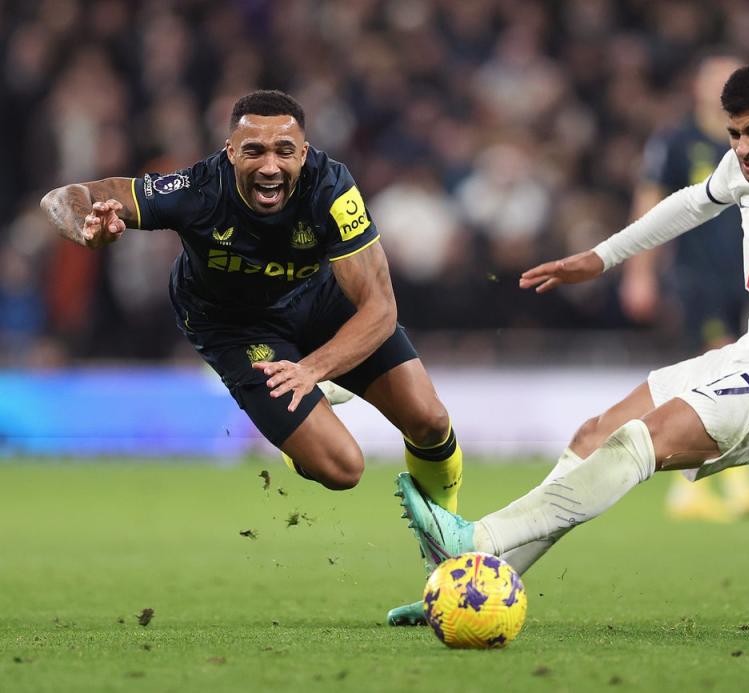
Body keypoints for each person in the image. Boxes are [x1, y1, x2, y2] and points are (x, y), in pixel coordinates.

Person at [396, 62, 749, 582]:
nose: (743, 148)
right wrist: (602, 257)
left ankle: (478, 540)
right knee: (595, 435)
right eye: (735, 134)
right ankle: (466, 582)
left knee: (641, 437)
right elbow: (692, 203)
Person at [40, 90, 463, 624]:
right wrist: (82, 225)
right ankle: (299, 443)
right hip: (236, 328)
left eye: (284, 150)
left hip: (319, 303)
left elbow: (379, 309)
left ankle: (448, 556)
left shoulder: (332, 186)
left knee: (429, 419)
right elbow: (64, 196)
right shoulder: (196, 188)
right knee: (342, 468)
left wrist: (312, 369)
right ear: (229, 152)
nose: (270, 165)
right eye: (254, 151)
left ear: (304, 153)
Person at [621, 52, 749, 523]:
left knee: (729, 373)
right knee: (722, 364)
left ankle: (688, 490)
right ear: (699, 88)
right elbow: (651, 202)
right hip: (696, 273)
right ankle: (734, 481)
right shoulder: (677, 140)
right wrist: (639, 272)